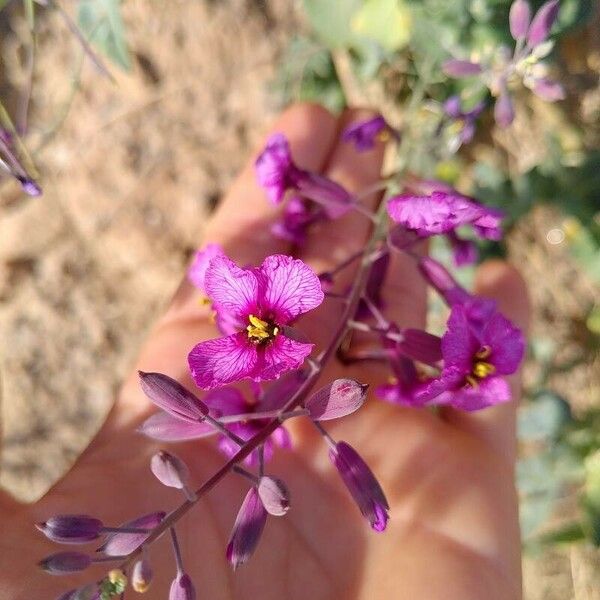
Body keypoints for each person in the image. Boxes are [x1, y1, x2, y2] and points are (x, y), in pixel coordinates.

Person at [0, 103, 529, 600]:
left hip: (286, 328)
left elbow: (267, 327)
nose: (257, 330)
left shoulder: (274, 324)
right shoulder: (261, 338)